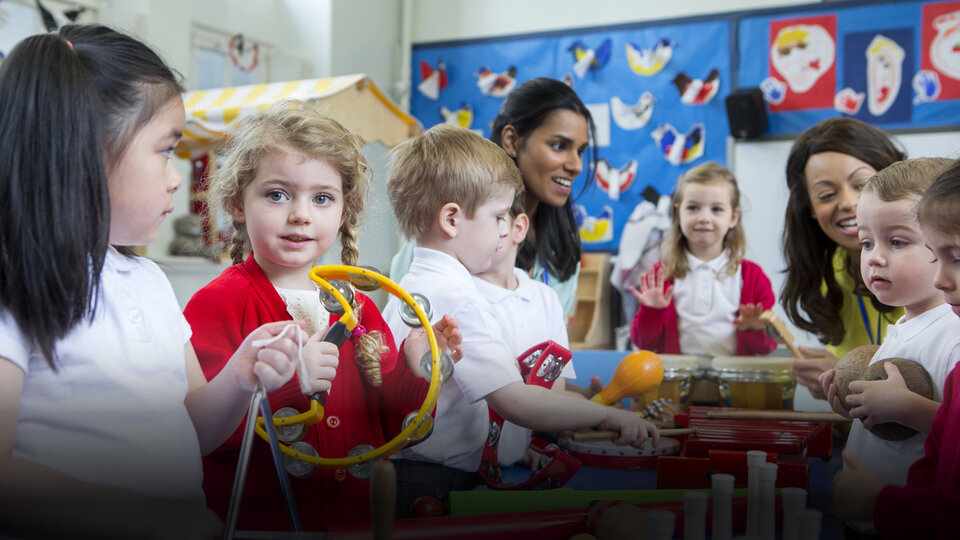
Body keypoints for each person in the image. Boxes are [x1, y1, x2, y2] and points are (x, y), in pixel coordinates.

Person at [0, 25, 308, 539]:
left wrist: (238, 375)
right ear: (86, 153)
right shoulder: (17, 284)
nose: (176, 177)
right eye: (166, 151)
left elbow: (196, 431)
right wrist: (149, 518)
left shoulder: (148, 281)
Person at [183, 103, 462, 530]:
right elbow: (199, 433)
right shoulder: (215, 304)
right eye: (277, 194)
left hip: (353, 522)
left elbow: (391, 427)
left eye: (322, 198)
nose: (300, 214)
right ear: (237, 203)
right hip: (261, 525)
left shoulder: (362, 309)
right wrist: (291, 385)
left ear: (343, 210)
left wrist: (415, 367)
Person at [382, 124, 658, 517]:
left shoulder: (417, 284)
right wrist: (606, 414)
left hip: (424, 474)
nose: (503, 232)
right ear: (452, 220)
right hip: (432, 483)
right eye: (497, 216)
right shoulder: (456, 296)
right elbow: (516, 401)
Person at [821, 158, 960, 537]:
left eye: (896, 241)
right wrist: (861, 404)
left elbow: (954, 434)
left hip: (911, 521)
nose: (874, 257)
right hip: (869, 516)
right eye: (867, 242)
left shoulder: (953, 334)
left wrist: (905, 408)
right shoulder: (903, 325)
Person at [390, 77, 596, 316]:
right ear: (512, 141)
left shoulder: (562, 243)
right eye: (559, 146)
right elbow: (408, 320)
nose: (576, 165)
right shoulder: (446, 226)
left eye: (580, 151)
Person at [781, 118, 906, 398]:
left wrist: (849, 374)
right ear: (810, 209)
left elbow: (940, 383)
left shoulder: (932, 266)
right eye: (826, 194)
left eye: (861, 184)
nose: (848, 202)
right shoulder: (829, 271)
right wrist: (835, 388)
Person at [473, 195, 579, 468]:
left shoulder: (545, 298)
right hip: (470, 457)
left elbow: (555, 383)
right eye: (474, 220)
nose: (483, 231)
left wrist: (537, 443)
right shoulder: (463, 294)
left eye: (495, 220)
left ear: (518, 228)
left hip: (520, 455)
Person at [629, 162, 777, 357]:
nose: (704, 218)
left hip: (732, 385)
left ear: (733, 217)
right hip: (677, 385)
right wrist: (652, 312)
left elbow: (768, 347)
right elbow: (644, 343)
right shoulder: (660, 275)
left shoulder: (752, 277)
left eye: (716, 209)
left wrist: (753, 328)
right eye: (693, 208)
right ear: (677, 214)